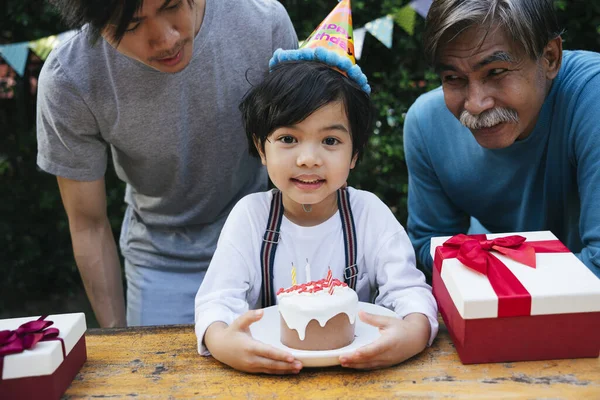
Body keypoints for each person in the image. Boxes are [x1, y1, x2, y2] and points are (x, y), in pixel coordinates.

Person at [194, 0, 438, 374]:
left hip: (360, 373)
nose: (308, 159)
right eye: (289, 139)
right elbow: (217, 300)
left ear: (354, 153)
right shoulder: (251, 218)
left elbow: (409, 293)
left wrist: (412, 334)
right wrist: (223, 340)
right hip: (272, 373)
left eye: (330, 141)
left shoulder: (369, 214)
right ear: (262, 148)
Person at [36, 0, 298, 328]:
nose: (166, 39)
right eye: (131, 25)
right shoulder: (71, 78)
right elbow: (88, 224)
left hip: (266, 244)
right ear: (96, 23)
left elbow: (305, 156)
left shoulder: (263, 22)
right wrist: (120, 343)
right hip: (162, 264)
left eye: (172, 5)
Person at [404, 0, 600, 277]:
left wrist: (483, 274)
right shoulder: (426, 124)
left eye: (496, 72)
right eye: (453, 77)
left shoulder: (592, 97)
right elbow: (430, 245)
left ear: (550, 58)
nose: (475, 104)